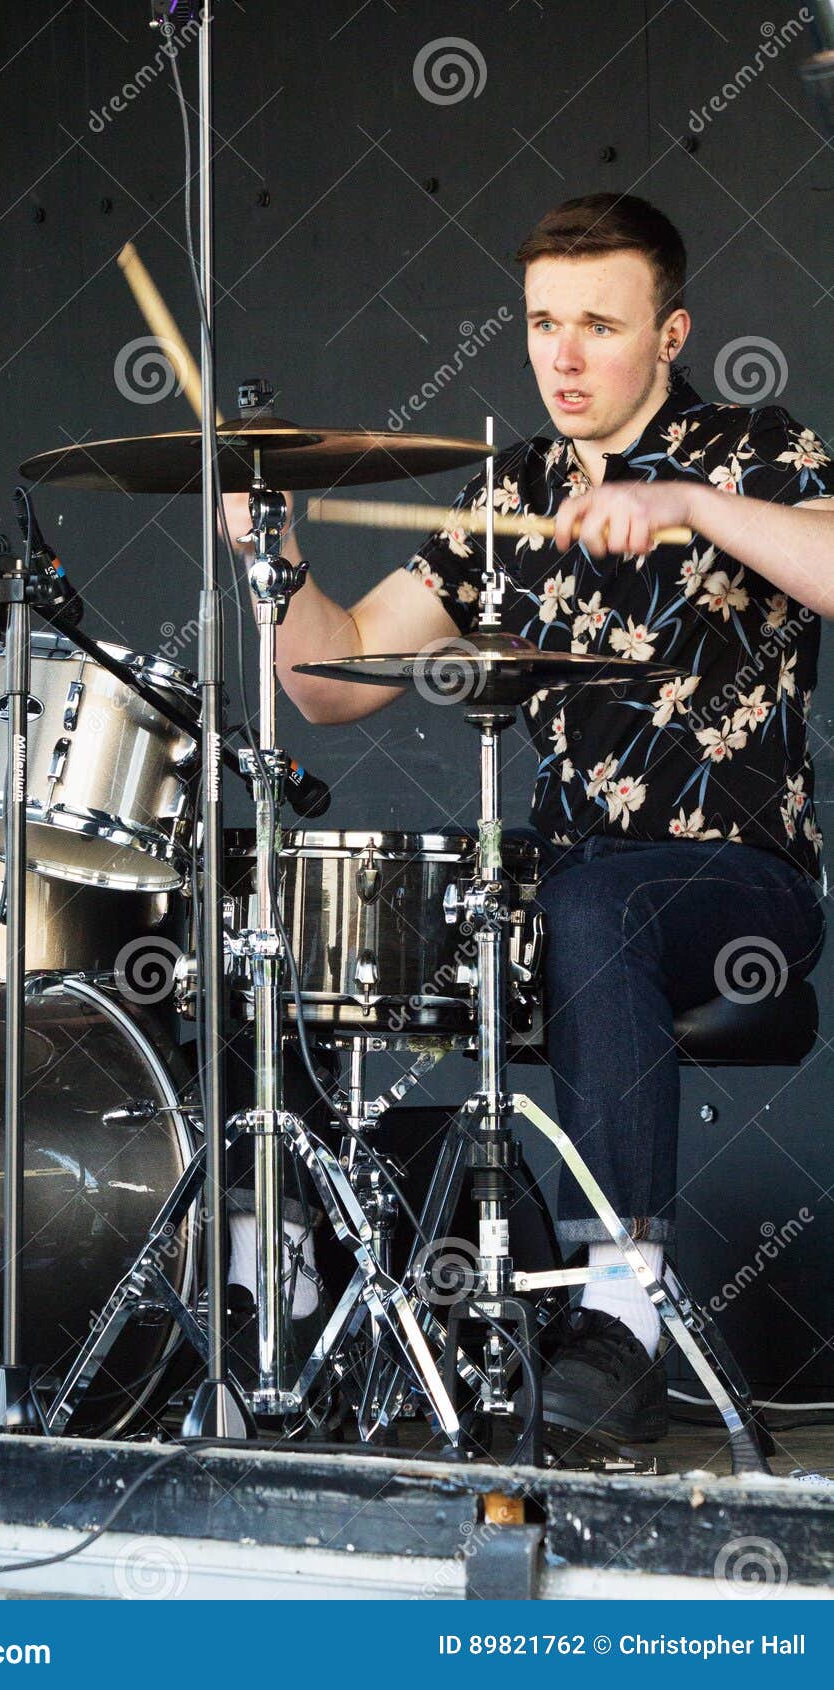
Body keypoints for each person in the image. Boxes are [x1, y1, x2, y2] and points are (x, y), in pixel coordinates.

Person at [222, 193, 834, 1442]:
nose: (561, 355)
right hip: (561, 889)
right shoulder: (512, 491)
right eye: (542, 323)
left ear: (668, 336)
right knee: (288, 915)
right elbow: (330, 679)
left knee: (592, 900)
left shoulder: (749, 448)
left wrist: (691, 508)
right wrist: (272, 569)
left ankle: (620, 1311)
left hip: (734, 889)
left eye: (597, 326)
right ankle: (340, 1297)